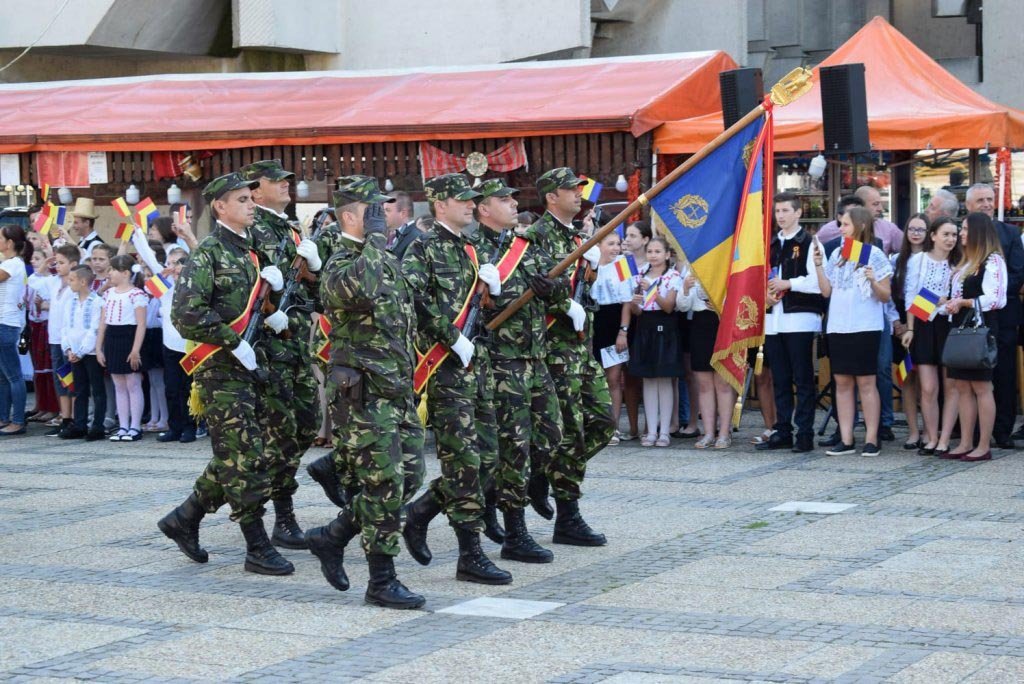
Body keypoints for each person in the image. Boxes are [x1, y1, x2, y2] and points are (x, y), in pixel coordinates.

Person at [158, 171, 293, 576]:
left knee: (247, 453)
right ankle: (256, 545)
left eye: (252, 200)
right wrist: (232, 341)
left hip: (255, 369)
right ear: (220, 207)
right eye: (242, 201)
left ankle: (185, 517)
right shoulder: (211, 253)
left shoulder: (250, 252)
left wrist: (272, 316)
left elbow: (251, 307)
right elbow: (186, 314)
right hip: (221, 372)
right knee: (244, 458)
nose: (252, 205)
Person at [304, 174, 426, 609]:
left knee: (410, 476)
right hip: (363, 393)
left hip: (395, 389)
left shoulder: (384, 256)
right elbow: (362, 288)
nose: (386, 216)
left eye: (386, 209)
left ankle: (332, 536)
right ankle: (381, 579)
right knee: (383, 482)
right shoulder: (339, 260)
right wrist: (375, 241)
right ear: (351, 217)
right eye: (376, 210)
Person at [401, 173, 512, 584]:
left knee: (487, 457)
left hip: (475, 366)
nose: (471, 205)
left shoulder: (471, 247)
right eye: (462, 200)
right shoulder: (422, 249)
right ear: (439, 205)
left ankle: (421, 511)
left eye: (473, 200)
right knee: (463, 460)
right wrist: (451, 338)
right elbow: (413, 299)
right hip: (445, 369)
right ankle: (470, 553)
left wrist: (492, 291)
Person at [473, 178, 564, 564]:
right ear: (483, 208)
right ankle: (515, 531)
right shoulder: (471, 250)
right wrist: (492, 298)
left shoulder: (524, 246)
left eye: (513, 197)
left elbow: (559, 287)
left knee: (551, 436)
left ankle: (491, 496)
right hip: (499, 361)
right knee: (514, 448)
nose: (513, 203)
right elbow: (465, 308)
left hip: (534, 357)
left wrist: (550, 289)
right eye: (503, 199)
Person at [522, 167, 613, 545]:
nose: (578, 195)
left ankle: (542, 472)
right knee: (570, 431)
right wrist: (563, 302)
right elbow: (536, 283)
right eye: (569, 190)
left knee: (604, 421)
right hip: (555, 349)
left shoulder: (579, 237)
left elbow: (585, 285)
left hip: (581, 347)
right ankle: (568, 515)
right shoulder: (534, 237)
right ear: (550, 197)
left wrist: (590, 268)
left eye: (578, 189)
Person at [240, 159, 323, 551]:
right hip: (270, 347)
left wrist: (316, 270)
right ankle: (282, 516)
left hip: (297, 343)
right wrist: (272, 313)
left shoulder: (290, 229)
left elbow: (312, 292)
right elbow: (246, 286)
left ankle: (190, 513)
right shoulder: (253, 229)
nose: (287, 185)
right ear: (256, 191)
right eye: (277, 181)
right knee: (278, 432)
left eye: (287, 180)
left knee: (306, 425)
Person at [814, 206, 893, 456]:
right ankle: (846, 438)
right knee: (842, 382)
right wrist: (818, 265)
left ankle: (872, 437)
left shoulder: (875, 254)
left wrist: (872, 279)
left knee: (867, 382)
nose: (841, 228)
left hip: (865, 325)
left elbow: (885, 295)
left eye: (845, 224)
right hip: (838, 326)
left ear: (859, 226)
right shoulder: (838, 252)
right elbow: (826, 291)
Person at [758, 192, 825, 453]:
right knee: (780, 378)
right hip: (774, 319)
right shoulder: (771, 244)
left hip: (800, 318)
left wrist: (789, 283)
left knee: (803, 377)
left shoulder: (809, 242)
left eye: (786, 210)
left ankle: (805, 433)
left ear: (798, 213)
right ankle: (782, 429)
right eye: (778, 211)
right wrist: (765, 295)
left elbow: (818, 280)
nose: (781, 216)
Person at [942, 212, 1007, 462]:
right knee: (962, 386)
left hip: (981, 329)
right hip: (962, 328)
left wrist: (964, 302)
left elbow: (996, 298)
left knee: (981, 386)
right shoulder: (966, 262)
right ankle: (966, 441)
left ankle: (982, 444)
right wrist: (949, 304)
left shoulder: (993, 260)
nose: (961, 233)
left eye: (966, 229)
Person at [962, 184, 1024, 448]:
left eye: (990, 199)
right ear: (968, 206)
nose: (987, 204)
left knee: (1004, 374)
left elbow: (1019, 272)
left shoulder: (1010, 232)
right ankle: (973, 432)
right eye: (981, 200)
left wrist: (994, 292)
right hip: (972, 321)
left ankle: (1002, 430)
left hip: (1005, 316)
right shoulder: (963, 234)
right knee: (973, 376)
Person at [900, 215, 958, 456]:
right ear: (932, 236)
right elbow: (911, 296)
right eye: (945, 234)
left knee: (951, 385)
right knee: (928, 387)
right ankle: (930, 436)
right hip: (923, 324)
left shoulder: (959, 263)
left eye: (954, 235)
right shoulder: (918, 260)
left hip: (949, 324)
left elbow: (956, 298)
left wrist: (938, 300)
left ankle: (945, 438)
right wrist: (911, 328)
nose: (950, 239)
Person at [621, 237, 683, 447]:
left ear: (667, 255)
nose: (653, 255)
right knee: (648, 379)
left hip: (665, 327)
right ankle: (651, 431)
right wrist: (635, 303)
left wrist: (653, 291)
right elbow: (637, 310)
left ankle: (665, 431)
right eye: (650, 251)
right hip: (645, 327)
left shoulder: (673, 276)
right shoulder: (640, 275)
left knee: (664, 379)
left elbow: (668, 306)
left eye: (658, 251)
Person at [676, 261, 734, 448]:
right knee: (704, 383)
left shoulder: (728, 260)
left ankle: (724, 432)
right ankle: (708, 432)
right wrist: (685, 288)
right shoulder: (692, 264)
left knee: (723, 383)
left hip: (723, 321)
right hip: (700, 324)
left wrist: (722, 302)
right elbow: (683, 306)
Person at [96, 255, 147, 442]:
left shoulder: (137, 295)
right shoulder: (108, 294)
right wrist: (98, 348)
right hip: (112, 338)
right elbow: (102, 324)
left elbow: (141, 325)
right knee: (118, 384)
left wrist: (135, 350)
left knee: (133, 384)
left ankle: (135, 426)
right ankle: (123, 425)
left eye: (112, 270)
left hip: (129, 337)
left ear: (125, 273)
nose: (109, 273)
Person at [890, 214, 929, 450]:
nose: (915, 233)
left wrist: (916, 321)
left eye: (921, 230)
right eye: (911, 228)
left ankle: (929, 428)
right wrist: (896, 322)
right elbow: (889, 296)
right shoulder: (896, 260)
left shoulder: (932, 260)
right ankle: (913, 431)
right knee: (907, 378)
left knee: (928, 380)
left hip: (925, 321)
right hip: (901, 323)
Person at [590, 230, 633, 445]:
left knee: (614, 378)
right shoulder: (589, 263)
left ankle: (614, 427)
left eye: (618, 243)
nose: (616, 248)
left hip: (614, 322)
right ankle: (596, 426)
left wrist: (623, 331)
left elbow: (627, 301)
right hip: (592, 322)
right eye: (611, 244)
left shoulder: (622, 265)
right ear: (598, 245)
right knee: (592, 378)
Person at [59, 265, 106, 440]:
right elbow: (65, 326)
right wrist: (69, 349)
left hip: (91, 353)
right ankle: (80, 424)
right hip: (74, 353)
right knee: (79, 390)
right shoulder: (70, 301)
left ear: (83, 281)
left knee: (97, 389)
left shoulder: (97, 302)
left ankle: (97, 426)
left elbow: (94, 329)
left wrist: (81, 351)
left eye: (72, 280)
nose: (68, 282)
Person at [157, 247, 197, 443]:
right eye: (170, 264)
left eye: (178, 263)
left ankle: (191, 427)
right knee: (171, 388)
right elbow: (148, 257)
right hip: (170, 346)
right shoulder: (165, 288)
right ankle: (175, 427)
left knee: (189, 388)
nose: (174, 268)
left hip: (189, 346)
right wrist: (137, 233)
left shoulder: (193, 286)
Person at [617, 220, 651, 441]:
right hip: (628, 320)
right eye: (626, 236)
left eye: (632, 236)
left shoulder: (654, 262)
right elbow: (623, 297)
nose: (627, 240)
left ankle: (652, 426)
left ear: (645, 239)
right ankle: (632, 427)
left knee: (648, 377)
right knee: (628, 377)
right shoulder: (624, 263)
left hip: (649, 321)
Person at [44, 244, 80, 436]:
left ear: (73, 264)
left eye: (61, 263)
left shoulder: (74, 287)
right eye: (56, 262)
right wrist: (46, 261)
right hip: (55, 339)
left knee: (71, 380)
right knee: (60, 379)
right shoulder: (54, 283)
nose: (57, 266)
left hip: (69, 341)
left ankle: (74, 417)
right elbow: (35, 279)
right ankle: (64, 417)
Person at [0, 225, 32, 436]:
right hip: (5, 322)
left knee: (13, 376)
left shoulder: (13, 264)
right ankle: (4, 417)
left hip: (6, 323)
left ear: (9, 243)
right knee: (3, 376)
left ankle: (18, 420)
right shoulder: (9, 263)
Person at [816, 187, 903, 254]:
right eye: (842, 224)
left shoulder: (876, 244)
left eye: (846, 224)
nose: (841, 229)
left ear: (862, 226)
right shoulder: (832, 245)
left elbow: (868, 265)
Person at [25, 247, 58, 423]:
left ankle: (53, 407)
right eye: (32, 259)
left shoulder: (52, 280)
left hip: (47, 326)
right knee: (38, 369)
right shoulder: (34, 279)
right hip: (35, 325)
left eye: (38, 259)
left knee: (48, 369)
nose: (33, 262)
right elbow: (30, 288)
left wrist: (43, 305)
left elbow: (54, 303)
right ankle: (42, 405)